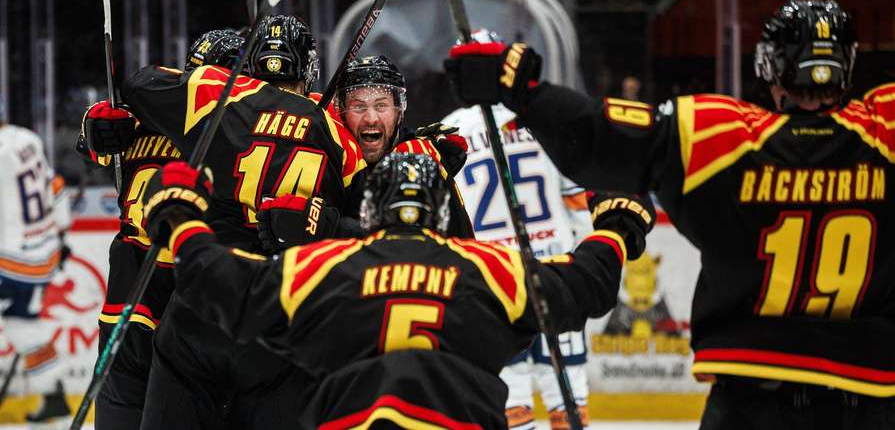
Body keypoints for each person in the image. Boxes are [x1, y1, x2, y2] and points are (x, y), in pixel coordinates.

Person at [444, 0, 895, 429]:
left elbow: (602, 137)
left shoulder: (726, 138)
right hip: (875, 399)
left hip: (756, 397)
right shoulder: (890, 128)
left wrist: (523, 91)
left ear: (770, 65)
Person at [136, 152, 655, 428]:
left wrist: (180, 219)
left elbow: (224, 286)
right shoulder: (492, 268)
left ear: (369, 209)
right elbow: (587, 285)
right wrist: (616, 227)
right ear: (443, 210)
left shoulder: (324, 265)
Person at [88, 14, 366, 429]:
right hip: (275, 313)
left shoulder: (216, 103)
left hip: (177, 308)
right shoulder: (337, 133)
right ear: (307, 70)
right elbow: (374, 231)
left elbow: (139, 85)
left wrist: (100, 121)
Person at [80, 28, 243, 429]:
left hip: (197, 304)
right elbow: (98, 139)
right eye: (193, 77)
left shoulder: (246, 135)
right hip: (130, 297)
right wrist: (95, 127)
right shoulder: (146, 120)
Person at [442, 30, 594, 430]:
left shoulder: (446, 131)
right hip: (556, 270)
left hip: (493, 279)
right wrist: (583, 260)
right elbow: (579, 201)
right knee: (569, 401)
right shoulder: (541, 118)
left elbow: (445, 220)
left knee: (510, 405)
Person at [335, 54, 473, 238]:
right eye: (358, 107)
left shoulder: (418, 154)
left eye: (381, 106)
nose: (370, 118)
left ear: (399, 111)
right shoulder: (338, 157)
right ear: (341, 113)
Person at [0, 99, 69, 427]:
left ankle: (52, 393)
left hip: (14, 261)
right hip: (45, 252)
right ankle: (53, 393)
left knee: (21, 324)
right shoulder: (26, 138)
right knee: (22, 323)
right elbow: (55, 187)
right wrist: (63, 236)